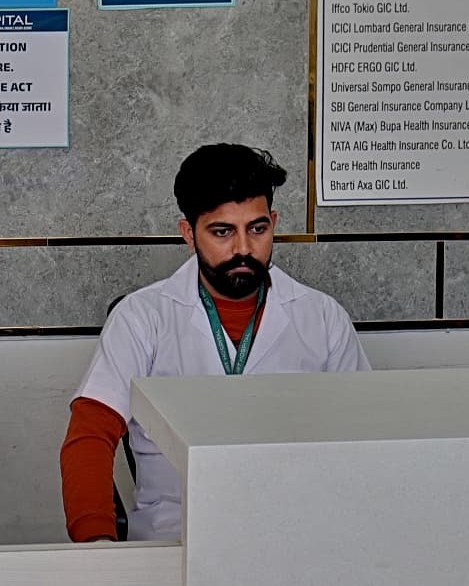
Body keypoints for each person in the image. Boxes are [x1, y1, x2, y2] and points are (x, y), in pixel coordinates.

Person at [60, 143, 369, 540]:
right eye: (222, 232)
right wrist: (97, 547)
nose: (243, 248)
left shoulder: (322, 318)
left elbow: (364, 438)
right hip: (176, 534)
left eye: (257, 229)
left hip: (299, 535)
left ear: (273, 221)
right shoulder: (143, 317)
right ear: (188, 233)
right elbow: (89, 435)